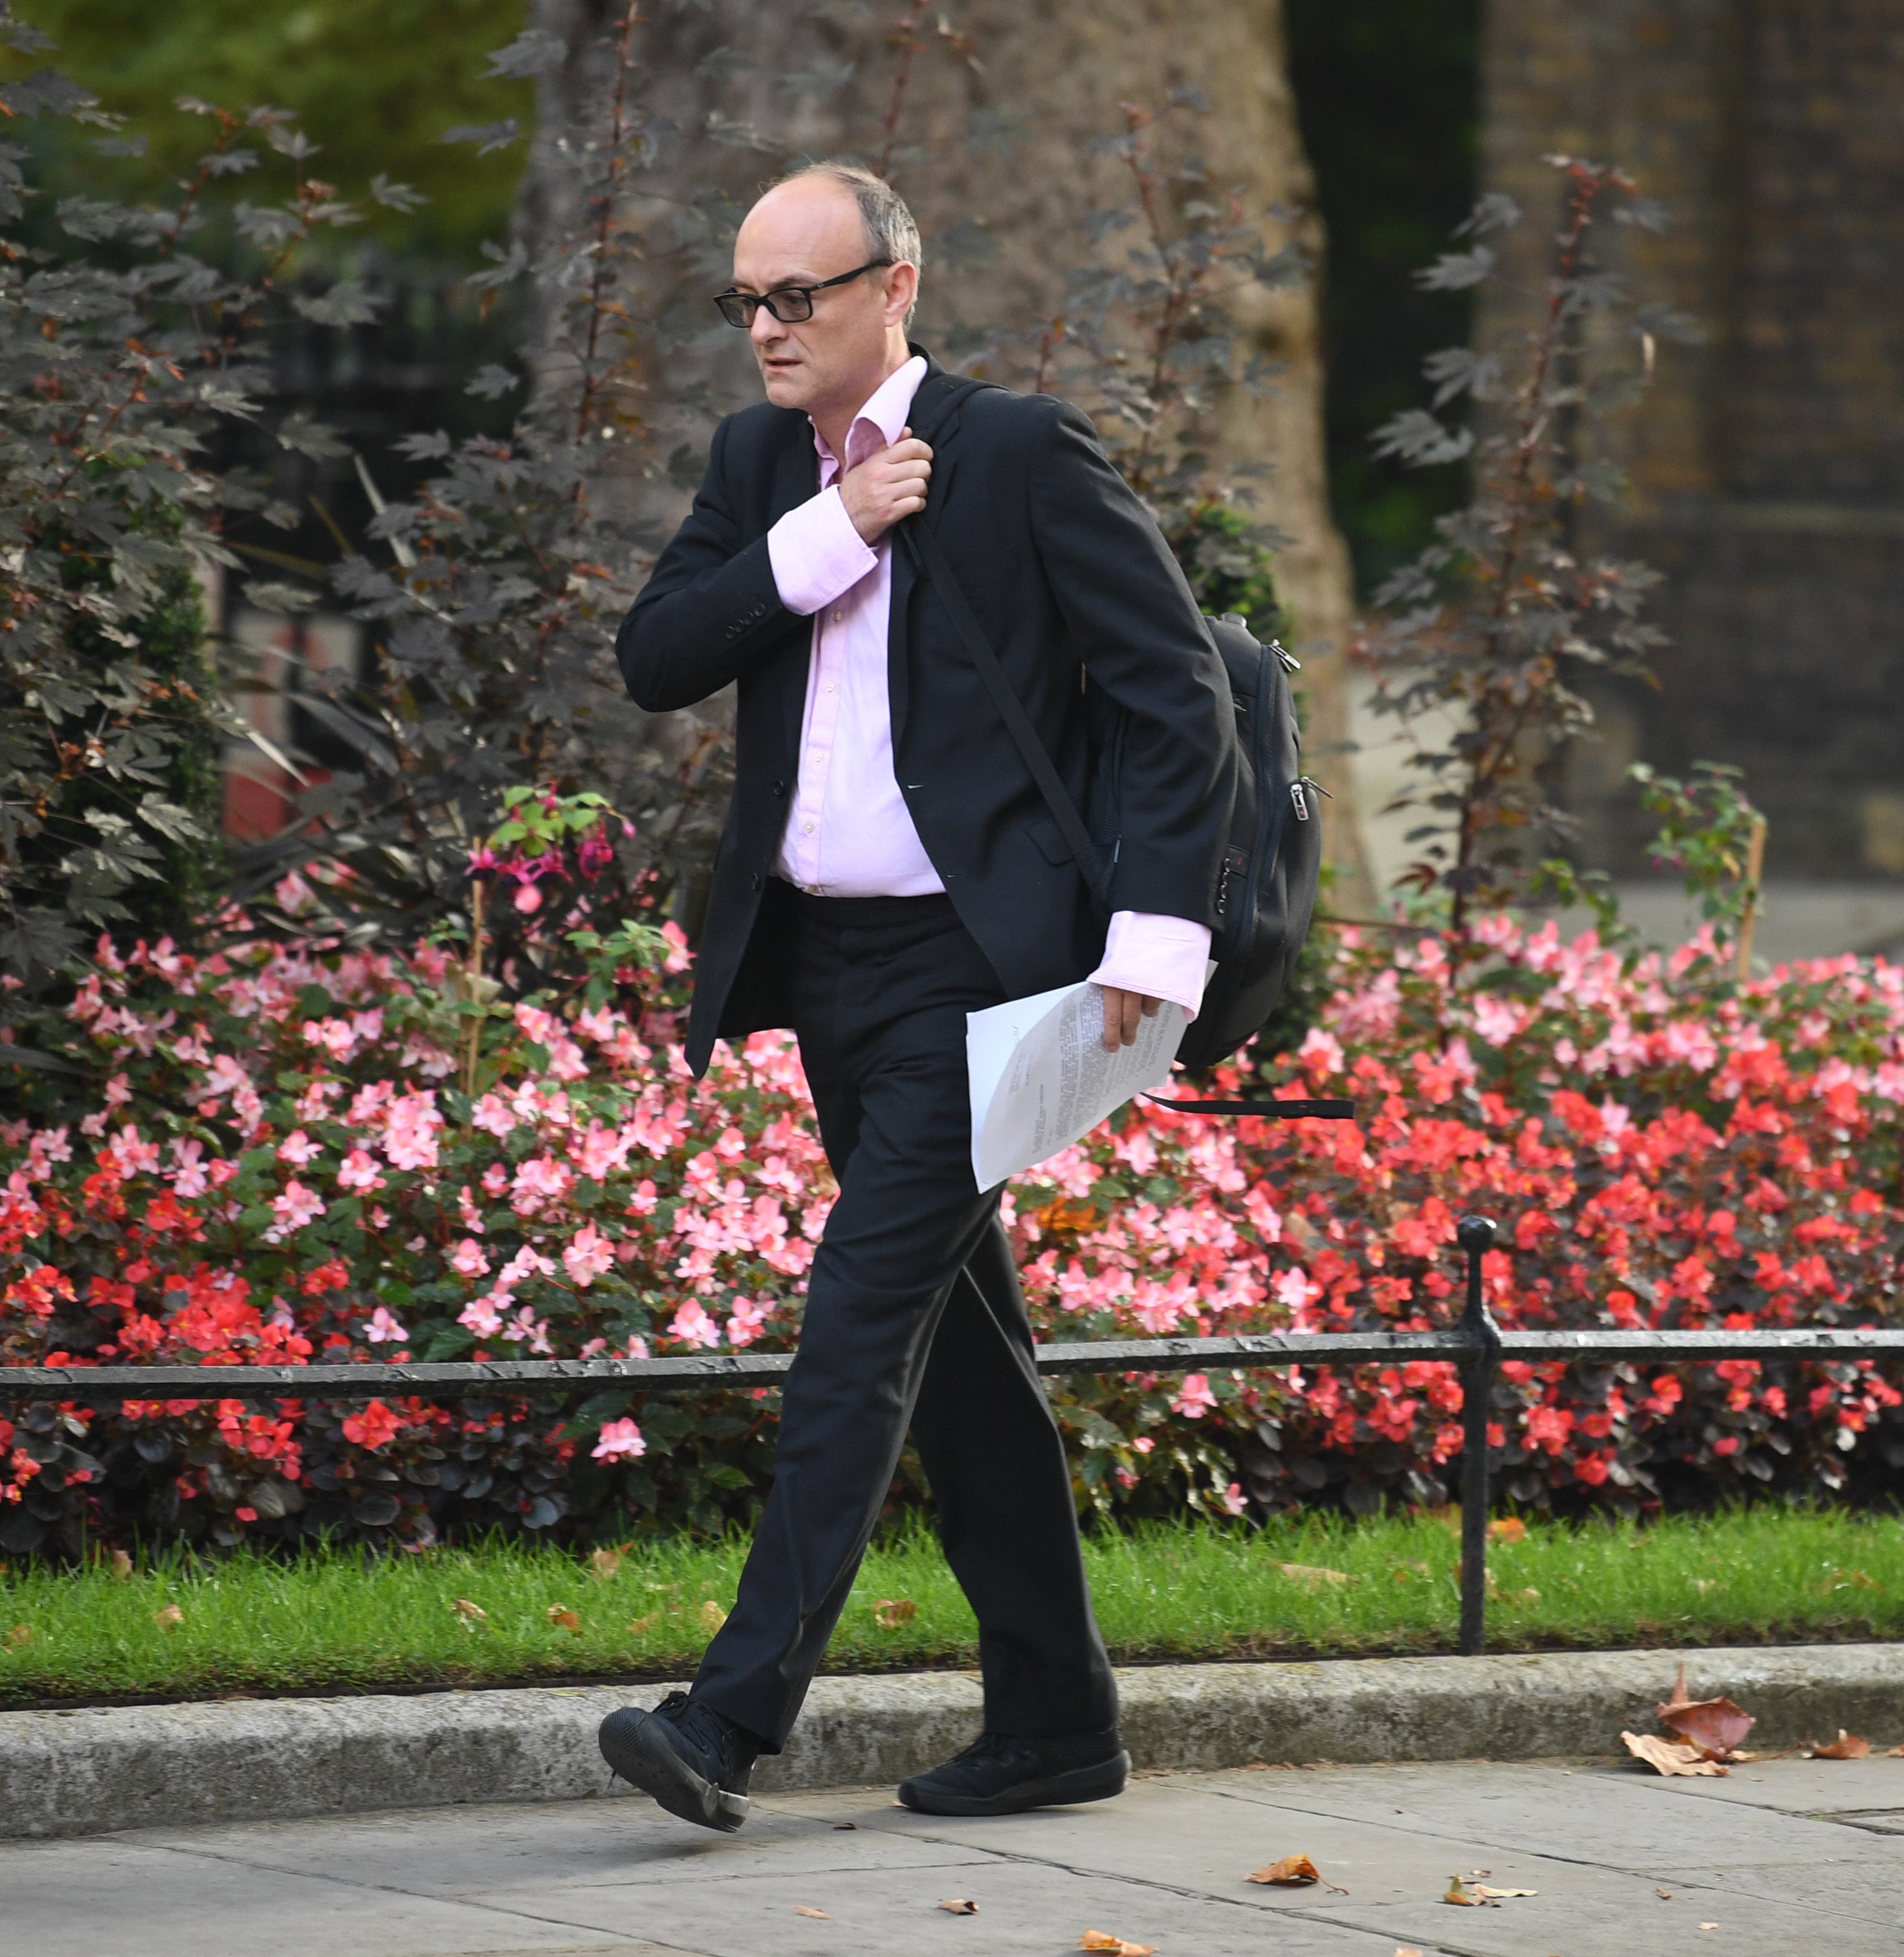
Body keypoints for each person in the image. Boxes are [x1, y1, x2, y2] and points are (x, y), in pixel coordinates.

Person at [596, 160, 1235, 1832]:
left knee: (860, 1322)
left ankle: (729, 1719)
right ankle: (1056, 1714)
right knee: (960, 1352)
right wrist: (826, 535)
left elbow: (1179, 695)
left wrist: (1154, 942)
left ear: (895, 285)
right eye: (744, 299)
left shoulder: (1018, 453)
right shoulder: (763, 468)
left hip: (981, 972)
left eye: (793, 297)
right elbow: (657, 653)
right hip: (827, 971)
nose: (763, 329)